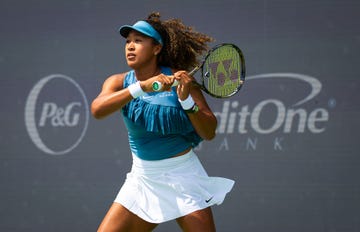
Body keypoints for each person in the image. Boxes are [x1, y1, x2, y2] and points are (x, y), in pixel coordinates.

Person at [91, 12, 234, 232]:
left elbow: (209, 132)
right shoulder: (119, 82)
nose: (130, 46)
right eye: (128, 41)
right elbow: (97, 110)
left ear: (156, 48)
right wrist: (141, 87)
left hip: (183, 178)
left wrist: (186, 101)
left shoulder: (181, 79)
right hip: (143, 179)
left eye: (138, 41)